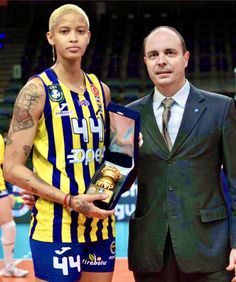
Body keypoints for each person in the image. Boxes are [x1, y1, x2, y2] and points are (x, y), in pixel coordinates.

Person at [3, 4, 116, 282]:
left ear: (89, 36)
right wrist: (68, 199)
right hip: (54, 225)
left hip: (100, 224)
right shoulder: (35, 90)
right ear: (51, 37)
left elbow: (110, 156)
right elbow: (11, 167)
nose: (73, 38)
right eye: (64, 31)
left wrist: (128, 146)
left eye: (80, 31)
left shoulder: (101, 91)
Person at [127, 26, 236, 282]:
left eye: (169, 52)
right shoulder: (129, 116)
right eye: (153, 55)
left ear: (185, 58)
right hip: (151, 251)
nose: (161, 61)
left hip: (209, 249)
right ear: (145, 62)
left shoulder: (220, 108)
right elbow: (115, 181)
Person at [0, 134, 29, 277]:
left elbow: (3, 165)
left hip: (0, 188)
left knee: (9, 227)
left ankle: (9, 267)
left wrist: (10, 191)